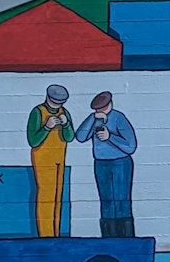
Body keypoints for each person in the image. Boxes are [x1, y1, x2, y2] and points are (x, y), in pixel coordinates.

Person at [73, 92, 138, 237]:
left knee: (121, 201)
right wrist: (91, 119)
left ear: (109, 105)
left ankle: (126, 236)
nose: (99, 112)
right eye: (96, 110)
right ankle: (108, 236)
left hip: (120, 163)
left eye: (101, 108)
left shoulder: (118, 118)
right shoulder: (94, 119)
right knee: (106, 201)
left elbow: (131, 146)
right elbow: (80, 137)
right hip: (101, 163)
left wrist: (110, 137)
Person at [25, 84, 74, 237]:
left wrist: (66, 124)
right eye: (54, 103)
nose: (57, 106)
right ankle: (45, 234)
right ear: (48, 98)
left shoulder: (64, 113)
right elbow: (33, 141)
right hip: (43, 160)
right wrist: (47, 127)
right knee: (46, 196)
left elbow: (70, 137)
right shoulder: (38, 112)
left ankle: (56, 234)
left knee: (58, 197)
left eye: (59, 103)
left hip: (60, 159)